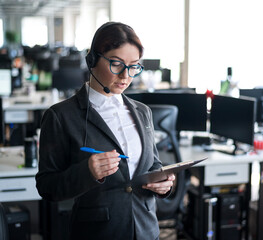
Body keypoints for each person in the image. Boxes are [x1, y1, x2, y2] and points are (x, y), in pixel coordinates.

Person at [35, 22, 175, 240]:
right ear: (92, 60)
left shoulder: (142, 111)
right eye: (117, 64)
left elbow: (152, 164)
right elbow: (47, 186)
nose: (126, 76)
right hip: (99, 233)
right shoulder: (61, 116)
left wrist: (163, 183)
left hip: (147, 230)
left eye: (134, 66)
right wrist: (87, 172)